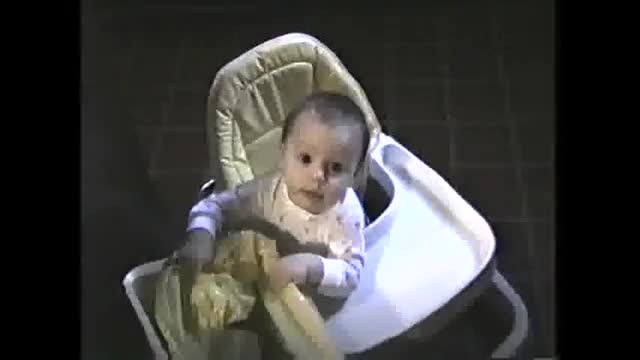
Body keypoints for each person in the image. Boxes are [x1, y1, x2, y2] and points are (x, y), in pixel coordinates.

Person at [162, 91, 370, 358]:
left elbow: (352, 273)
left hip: (312, 298)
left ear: (355, 174)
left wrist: (314, 267)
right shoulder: (266, 193)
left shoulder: (345, 215)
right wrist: (201, 236)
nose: (318, 175)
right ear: (283, 155)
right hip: (267, 278)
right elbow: (212, 206)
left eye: (337, 168)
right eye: (305, 159)